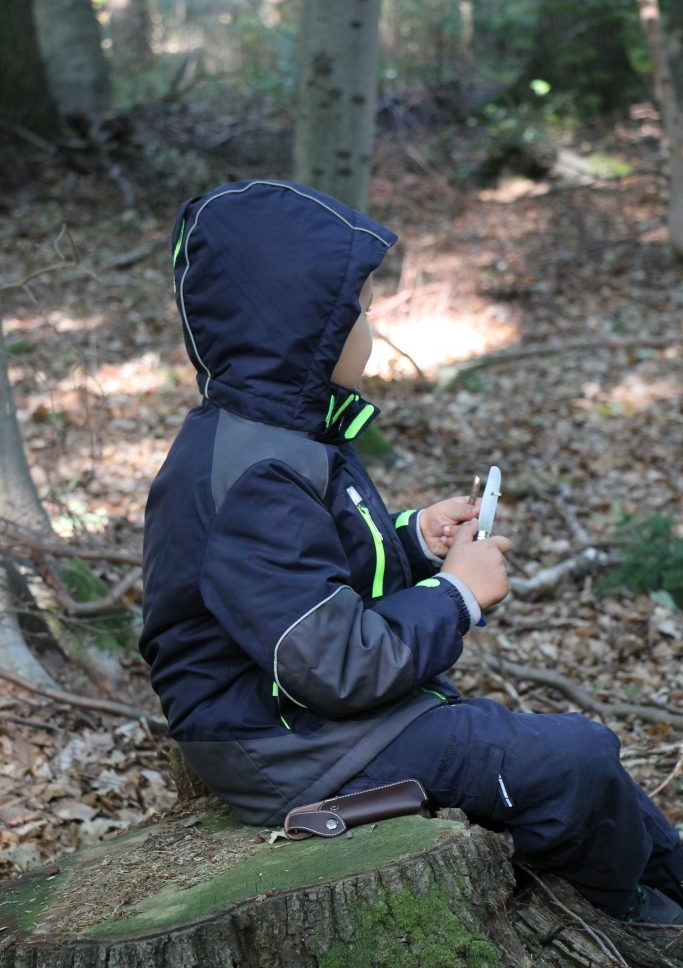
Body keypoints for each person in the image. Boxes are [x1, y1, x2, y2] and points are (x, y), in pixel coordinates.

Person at [140, 179, 683, 925]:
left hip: (303, 719)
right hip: (284, 743)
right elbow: (330, 662)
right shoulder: (256, 468)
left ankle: (670, 876)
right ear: (303, 328)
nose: (370, 324)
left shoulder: (281, 436)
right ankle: (636, 919)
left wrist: (410, 540)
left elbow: (303, 582)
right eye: (356, 309)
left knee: (572, 752)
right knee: (570, 761)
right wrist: (455, 595)